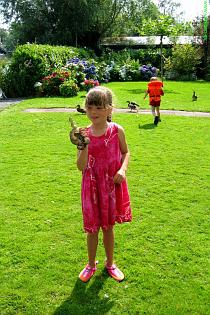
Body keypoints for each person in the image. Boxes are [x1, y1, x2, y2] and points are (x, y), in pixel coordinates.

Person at [76, 86, 132, 283]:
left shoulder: (117, 131)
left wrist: (122, 170)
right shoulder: (83, 134)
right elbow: (81, 167)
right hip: (90, 187)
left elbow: (126, 152)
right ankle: (91, 264)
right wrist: (83, 145)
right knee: (92, 229)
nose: (93, 112)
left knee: (108, 227)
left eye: (99, 108)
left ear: (110, 109)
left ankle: (110, 263)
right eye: (90, 107)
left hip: (110, 186)